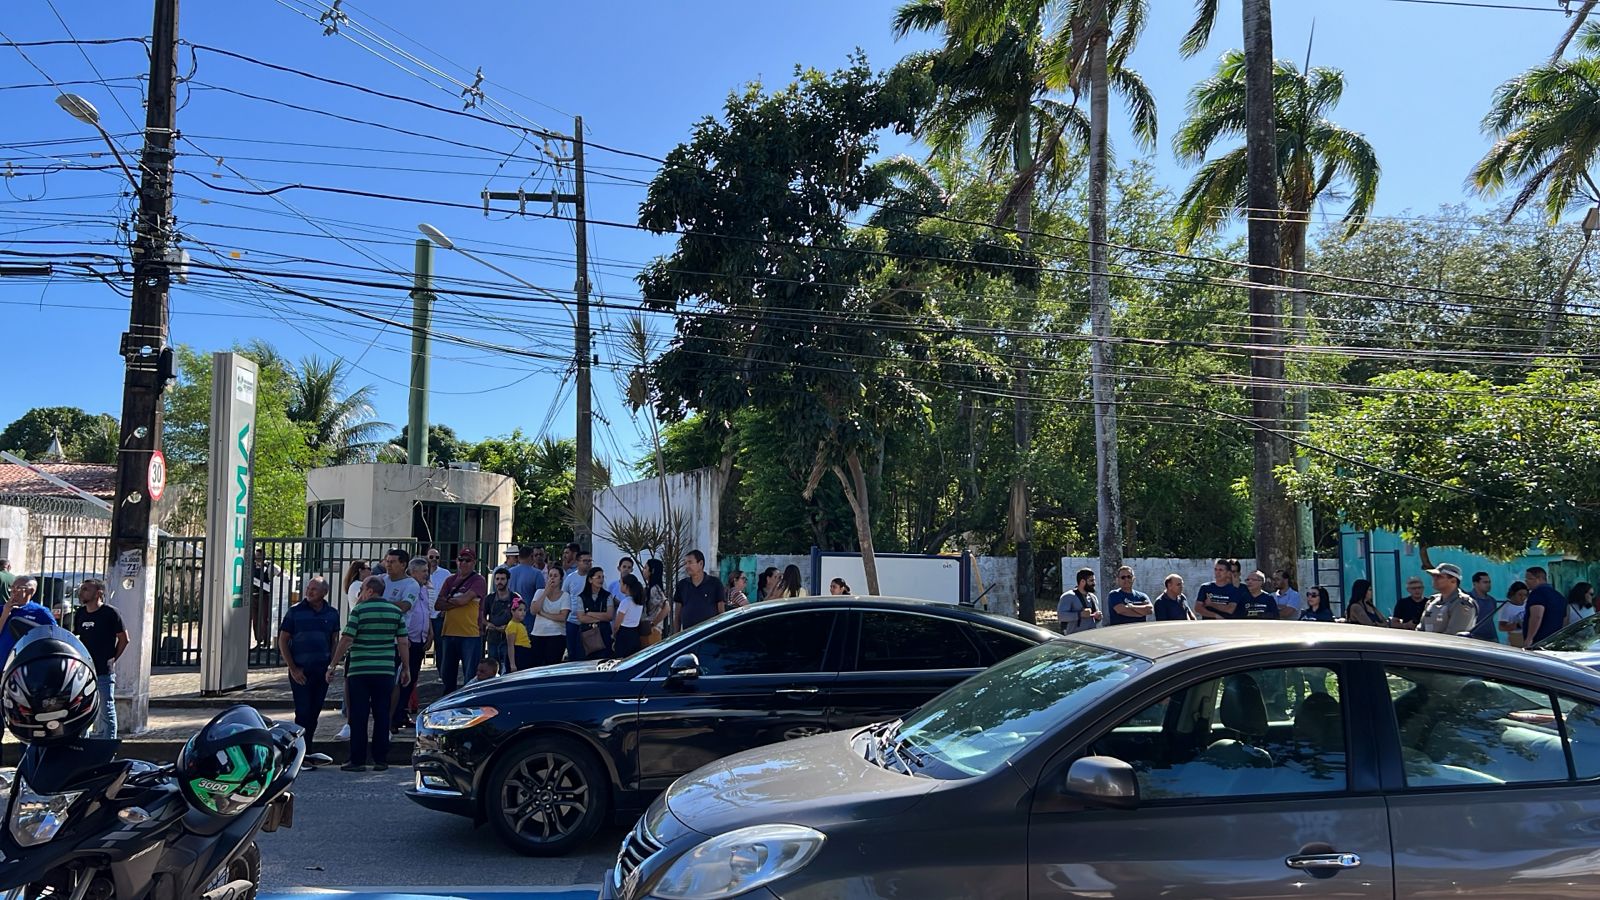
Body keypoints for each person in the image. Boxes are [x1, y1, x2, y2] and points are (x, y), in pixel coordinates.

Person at [329, 574, 410, 772]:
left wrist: (332, 664)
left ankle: (357, 760)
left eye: (363, 589)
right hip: (384, 670)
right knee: (382, 715)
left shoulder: (359, 610)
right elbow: (402, 641)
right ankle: (380, 760)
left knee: (359, 715)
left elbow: (346, 639)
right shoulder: (395, 611)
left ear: (370, 591)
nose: (360, 593)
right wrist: (406, 667)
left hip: (359, 670)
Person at [277, 577, 339, 757]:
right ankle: (299, 753)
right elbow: (283, 639)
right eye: (308, 588)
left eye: (314, 589)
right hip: (301, 669)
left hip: (322, 670)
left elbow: (334, 640)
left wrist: (332, 665)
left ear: (324, 593)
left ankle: (307, 750)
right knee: (303, 711)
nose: (309, 592)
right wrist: (292, 668)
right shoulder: (295, 612)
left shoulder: (332, 613)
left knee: (314, 712)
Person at [70, 579, 127, 738]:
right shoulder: (80, 613)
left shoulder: (110, 613)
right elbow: (76, 637)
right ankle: (83, 745)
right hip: (84, 671)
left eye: (86, 589)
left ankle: (109, 745)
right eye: (81, 589)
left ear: (99, 593)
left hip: (103, 670)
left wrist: (113, 658)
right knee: (82, 708)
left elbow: (124, 639)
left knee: (106, 709)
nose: (82, 593)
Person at [437, 549, 487, 694]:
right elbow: (437, 605)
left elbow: (464, 599)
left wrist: (448, 601)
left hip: (470, 634)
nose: (463, 563)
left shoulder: (478, 580)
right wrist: (456, 601)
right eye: (461, 559)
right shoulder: (449, 580)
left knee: (470, 675)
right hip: (449, 632)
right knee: (447, 675)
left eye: (468, 560)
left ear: (474, 562)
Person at [390, 556, 432, 732]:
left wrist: (430, 633)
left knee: (412, 679)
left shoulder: (423, 589)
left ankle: (402, 713)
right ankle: (393, 716)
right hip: (407, 640)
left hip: (420, 639)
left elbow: (426, 611)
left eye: (427, 571)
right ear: (412, 572)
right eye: (423, 571)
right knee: (400, 679)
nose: (426, 574)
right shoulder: (407, 587)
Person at [0, 576, 57, 666]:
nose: (13, 591)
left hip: (24, 664)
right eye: (12, 587)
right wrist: (5, 614)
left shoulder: (40, 612)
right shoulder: (2, 609)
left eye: (18, 588)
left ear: (30, 591)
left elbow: (53, 635)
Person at [673, 550, 727, 633]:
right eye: (685, 563)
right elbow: (677, 615)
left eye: (690, 562)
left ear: (700, 563)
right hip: (688, 635)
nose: (687, 566)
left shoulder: (715, 583)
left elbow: (721, 613)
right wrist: (675, 637)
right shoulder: (682, 585)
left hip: (709, 635)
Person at [570, 567, 615, 660]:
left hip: (603, 634)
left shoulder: (607, 596)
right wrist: (601, 618)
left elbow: (609, 616)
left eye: (603, 577)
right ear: (590, 579)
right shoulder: (581, 597)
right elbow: (581, 618)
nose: (601, 580)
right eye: (598, 577)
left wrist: (590, 613)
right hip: (587, 634)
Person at [1420, 563, 1478, 636]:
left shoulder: (1462, 604)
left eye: (1439, 576)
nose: (1434, 579)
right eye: (1433, 576)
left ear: (1453, 581)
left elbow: (1453, 636)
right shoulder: (1432, 601)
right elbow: (1420, 629)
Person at [531, 562, 570, 665]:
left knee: (552, 664)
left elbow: (562, 617)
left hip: (556, 635)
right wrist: (545, 592)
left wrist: (543, 613)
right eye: (550, 576)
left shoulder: (565, 596)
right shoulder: (539, 592)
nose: (552, 578)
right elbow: (534, 610)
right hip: (538, 634)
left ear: (561, 579)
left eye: (555, 576)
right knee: (537, 664)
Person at [483, 567, 520, 673]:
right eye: (497, 579)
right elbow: (481, 616)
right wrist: (488, 624)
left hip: (510, 639)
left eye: (502, 579)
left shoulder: (515, 598)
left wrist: (509, 626)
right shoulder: (489, 598)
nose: (499, 582)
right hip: (493, 638)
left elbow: (521, 616)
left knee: (508, 668)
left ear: (508, 580)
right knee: (492, 668)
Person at [1523, 566, 1568, 647]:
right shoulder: (1559, 596)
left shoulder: (1537, 593)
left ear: (1539, 578)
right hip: (1554, 641)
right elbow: (1565, 619)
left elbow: (1537, 616)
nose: (1526, 581)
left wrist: (1529, 638)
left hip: (1539, 641)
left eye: (1529, 578)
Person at [250, 547, 283, 649]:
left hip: (265, 596)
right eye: (256, 556)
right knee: (255, 620)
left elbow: (281, 574)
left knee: (264, 619)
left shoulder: (269, 566)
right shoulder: (251, 566)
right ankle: (259, 641)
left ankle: (266, 641)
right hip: (254, 596)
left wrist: (274, 585)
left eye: (259, 556)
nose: (257, 558)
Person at [1057, 568, 1100, 634]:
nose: (1094, 583)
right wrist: (1079, 614)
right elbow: (1061, 616)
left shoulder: (1093, 597)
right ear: (1082, 581)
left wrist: (1098, 617)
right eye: (1091, 581)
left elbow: (1094, 619)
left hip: (1092, 637)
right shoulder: (1068, 596)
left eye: (1094, 581)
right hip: (1075, 639)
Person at [614, 574, 647, 657]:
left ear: (626, 586)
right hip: (635, 633)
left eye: (621, 584)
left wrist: (614, 634)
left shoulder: (625, 602)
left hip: (624, 634)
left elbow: (617, 623)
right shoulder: (639, 602)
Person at [1464, 571, 1503, 642]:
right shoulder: (1468, 599)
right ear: (1475, 584)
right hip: (1474, 637)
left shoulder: (1492, 600)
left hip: (1491, 637)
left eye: (1489, 582)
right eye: (1485, 582)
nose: (1488, 585)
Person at [643, 558, 670, 644]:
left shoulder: (654, 589)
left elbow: (667, 607)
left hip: (653, 630)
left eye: (645, 568)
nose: (643, 570)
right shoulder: (649, 588)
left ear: (652, 571)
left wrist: (653, 624)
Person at [504, 600, 534, 672]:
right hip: (518, 653)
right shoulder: (512, 625)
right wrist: (512, 664)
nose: (523, 612)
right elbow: (510, 645)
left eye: (524, 610)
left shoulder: (520, 624)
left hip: (524, 653)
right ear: (512, 611)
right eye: (520, 610)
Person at [1500, 581, 1530, 647]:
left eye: (1525, 595)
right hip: (1515, 637)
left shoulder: (1528, 604)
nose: (1523, 598)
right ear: (1513, 594)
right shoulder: (1507, 608)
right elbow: (1501, 627)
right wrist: (1518, 625)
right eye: (1520, 595)